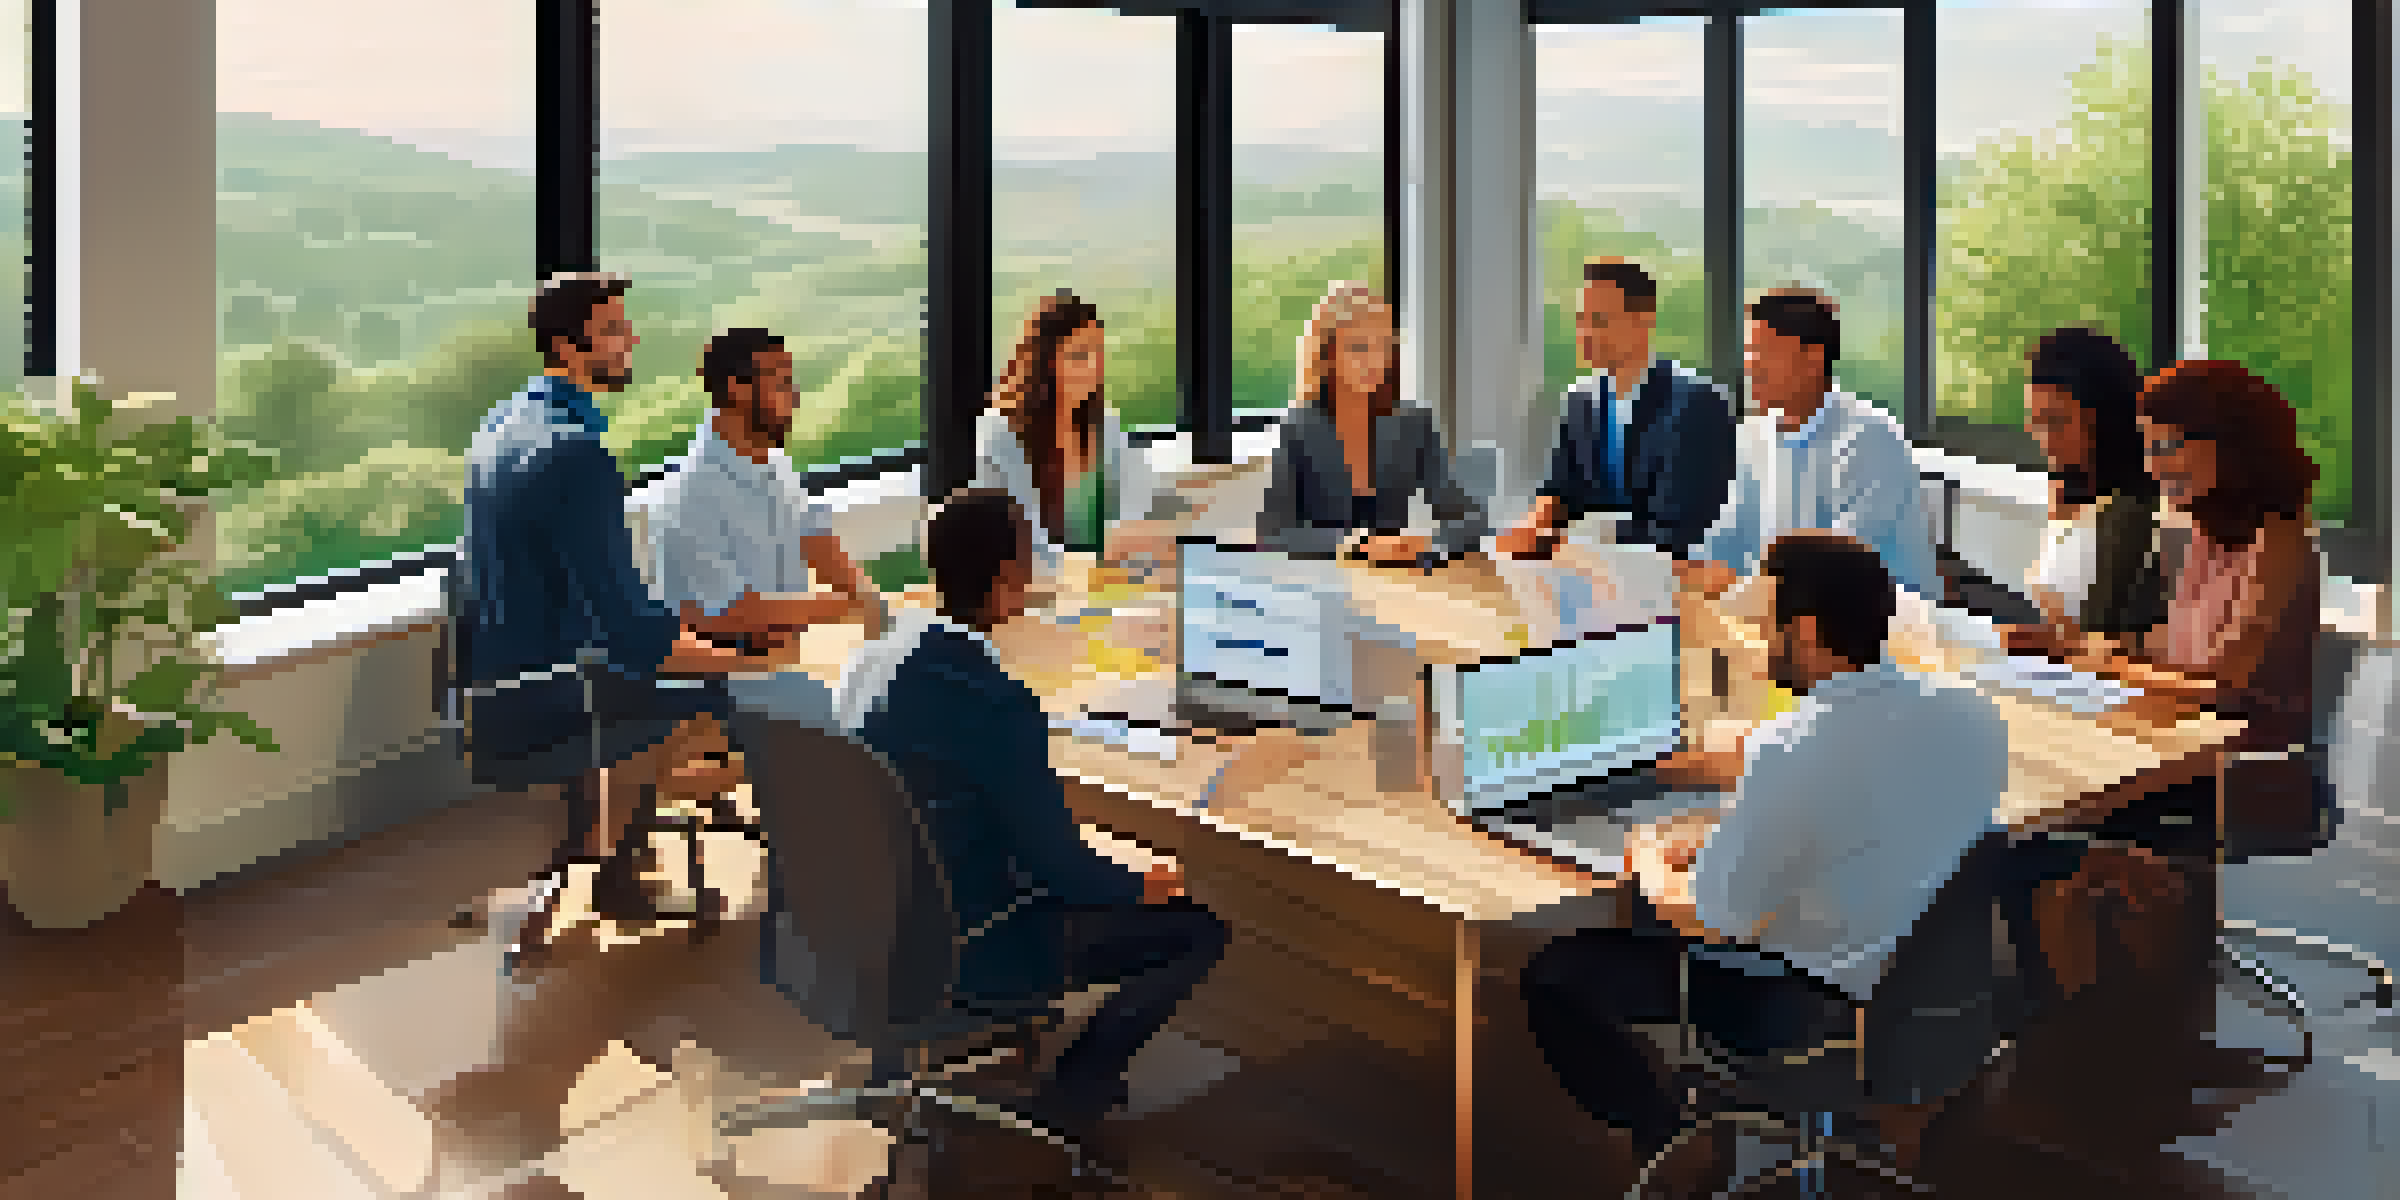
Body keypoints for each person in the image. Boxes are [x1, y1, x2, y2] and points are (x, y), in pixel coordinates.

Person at [1523, 531, 2009, 1198]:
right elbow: (1857, 770)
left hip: (1801, 1011)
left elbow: (1707, 916)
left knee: (1561, 976)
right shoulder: (1970, 712)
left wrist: (1651, 853)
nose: (1756, 643)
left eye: (1765, 626)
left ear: (1804, 633)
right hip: (1932, 1003)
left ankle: (1668, 1138)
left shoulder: (1796, 747)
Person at [844, 488, 1230, 1148]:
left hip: (865, 921)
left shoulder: (870, 662)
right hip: (968, 944)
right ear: (1004, 584)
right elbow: (1062, 870)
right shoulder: (997, 704)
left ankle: (893, 1064)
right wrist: (1141, 883)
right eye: (1025, 566)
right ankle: (1072, 1097)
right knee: (1197, 931)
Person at [460, 272, 761, 889]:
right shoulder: (579, 456)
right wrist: (745, 665)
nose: (633, 339)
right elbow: (633, 635)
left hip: (497, 676)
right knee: (746, 697)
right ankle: (616, 858)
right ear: (568, 348)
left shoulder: (503, 423)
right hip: (557, 690)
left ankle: (604, 837)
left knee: (694, 659)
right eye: (614, 331)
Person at [2053, 360, 2322, 856]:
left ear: (2232, 443)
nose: (2155, 468)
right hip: (2185, 745)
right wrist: (2076, 648)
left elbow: (2225, 682)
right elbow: (2180, 645)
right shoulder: (2203, 524)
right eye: (2149, 448)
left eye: (2169, 447)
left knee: (2059, 821)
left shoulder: (2281, 536)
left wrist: (2107, 665)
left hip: (2240, 774)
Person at [629, 326, 882, 732]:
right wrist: (843, 607)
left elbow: (813, 537)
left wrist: (869, 599)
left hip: (778, 661)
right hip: (723, 680)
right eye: (781, 383)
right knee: (866, 719)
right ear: (737, 389)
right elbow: (730, 613)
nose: (795, 397)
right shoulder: (693, 492)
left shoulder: (771, 462)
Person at [1676, 289, 1940, 608]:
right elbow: (1730, 538)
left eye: (1763, 353)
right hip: (1780, 617)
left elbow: (1840, 569)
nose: (1750, 367)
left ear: (1814, 358)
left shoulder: (1869, 438)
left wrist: (1741, 595)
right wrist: (1678, 580)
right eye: (1747, 353)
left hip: (1878, 630)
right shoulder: (1753, 434)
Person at [1496, 257, 1736, 560]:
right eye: (1581, 320)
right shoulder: (1580, 399)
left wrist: (1577, 539)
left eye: (1599, 321)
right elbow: (1559, 488)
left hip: (1664, 578)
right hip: (1582, 573)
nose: (1585, 333)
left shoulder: (1696, 403)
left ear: (1643, 320)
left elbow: (1679, 526)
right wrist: (1534, 525)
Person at [1256, 281, 1489, 564]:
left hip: (1395, 582)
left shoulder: (1414, 425)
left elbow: (1472, 520)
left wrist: (1426, 543)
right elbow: (1273, 533)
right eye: (1358, 348)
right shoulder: (1300, 427)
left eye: (1382, 347)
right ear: (1328, 356)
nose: (1374, 362)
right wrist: (1359, 545)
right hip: (1323, 584)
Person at [971, 290, 1170, 579]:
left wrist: (1128, 543)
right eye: (1079, 355)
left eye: (1098, 352)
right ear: (1044, 362)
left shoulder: (1104, 424)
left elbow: (1138, 497)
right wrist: (1099, 560)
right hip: (1034, 590)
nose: (1094, 367)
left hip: (1106, 582)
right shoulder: (1001, 433)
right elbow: (1019, 543)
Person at [2000, 327, 2168, 654]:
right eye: (2036, 422)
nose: (2044, 440)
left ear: (2105, 418)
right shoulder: (2068, 489)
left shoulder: (2136, 512)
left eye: (2057, 422)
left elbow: (2101, 634)